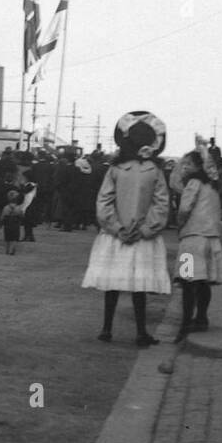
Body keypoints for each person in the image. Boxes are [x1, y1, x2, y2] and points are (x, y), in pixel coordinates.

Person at [82, 111, 171, 348]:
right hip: (143, 237)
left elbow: (103, 202)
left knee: (112, 283)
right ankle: (141, 332)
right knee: (138, 286)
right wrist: (145, 229)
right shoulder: (155, 171)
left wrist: (116, 227)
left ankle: (106, 328)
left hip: (115, 236)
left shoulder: (116, 169)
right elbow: (161, 205)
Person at [171, 146, 222, 342]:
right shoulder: (214, 185)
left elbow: (185, 208)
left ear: (197, 166)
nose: (185, 167)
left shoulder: (193, 183)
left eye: (189, 164)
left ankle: (185, 324)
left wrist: (179, 224)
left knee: (187, 282)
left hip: (192, 239)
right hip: (211, 239)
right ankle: (201, 318)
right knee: (203, 282)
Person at [0, 189, 25, 256]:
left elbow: (2, 216)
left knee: (7, 238)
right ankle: (13, 249)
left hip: (7, 224)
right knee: (15, 238)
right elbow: (22, 215)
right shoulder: (18, 208)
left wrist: (1, 224)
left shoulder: (6, 207)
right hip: (16, 224)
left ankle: (7, 250)